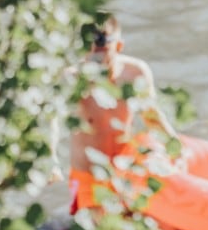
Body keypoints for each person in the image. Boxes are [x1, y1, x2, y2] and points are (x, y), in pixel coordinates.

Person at [69, 16, 179, 214]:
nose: (93, 51)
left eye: (101, 43)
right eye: (87, 43)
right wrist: (50, 161)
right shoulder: (72, 81)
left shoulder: (134, 74)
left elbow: (152, 118)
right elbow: (48, 123)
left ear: (118, 46)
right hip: (88, 176)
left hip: (126, 170)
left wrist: (175, 145)